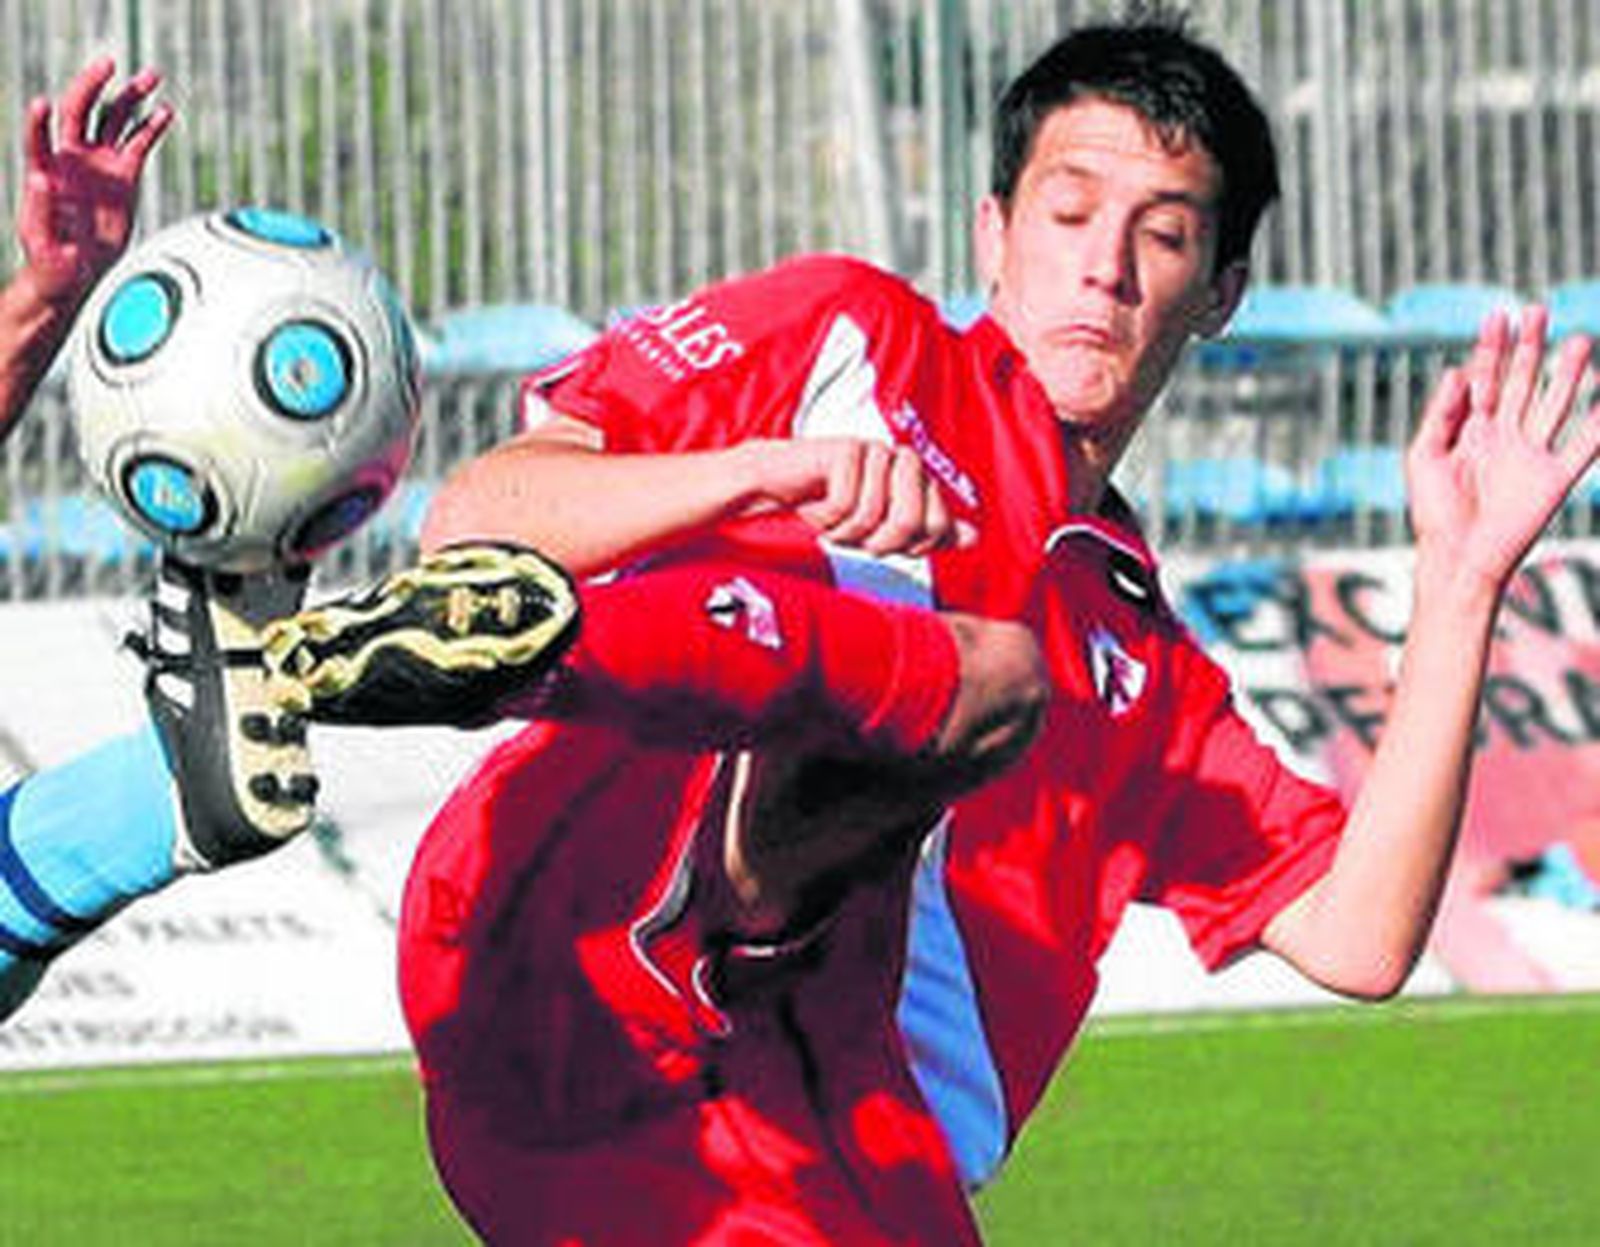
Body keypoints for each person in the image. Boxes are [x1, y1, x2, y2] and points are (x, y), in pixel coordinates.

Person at [389, 8, 1600, 1243]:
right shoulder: (846, 338)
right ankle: (549, 667)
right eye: (1069, 215)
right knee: (971, 674)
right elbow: (476, 521)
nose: (1105, 267)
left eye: (1164, 235)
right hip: (585, 968)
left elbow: (1360, 932)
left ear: (1220, 293)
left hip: (832, 1155)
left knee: (994, 679)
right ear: (993, 234)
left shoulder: (1141, 664)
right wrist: (747, 473)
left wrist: (1461, 578)